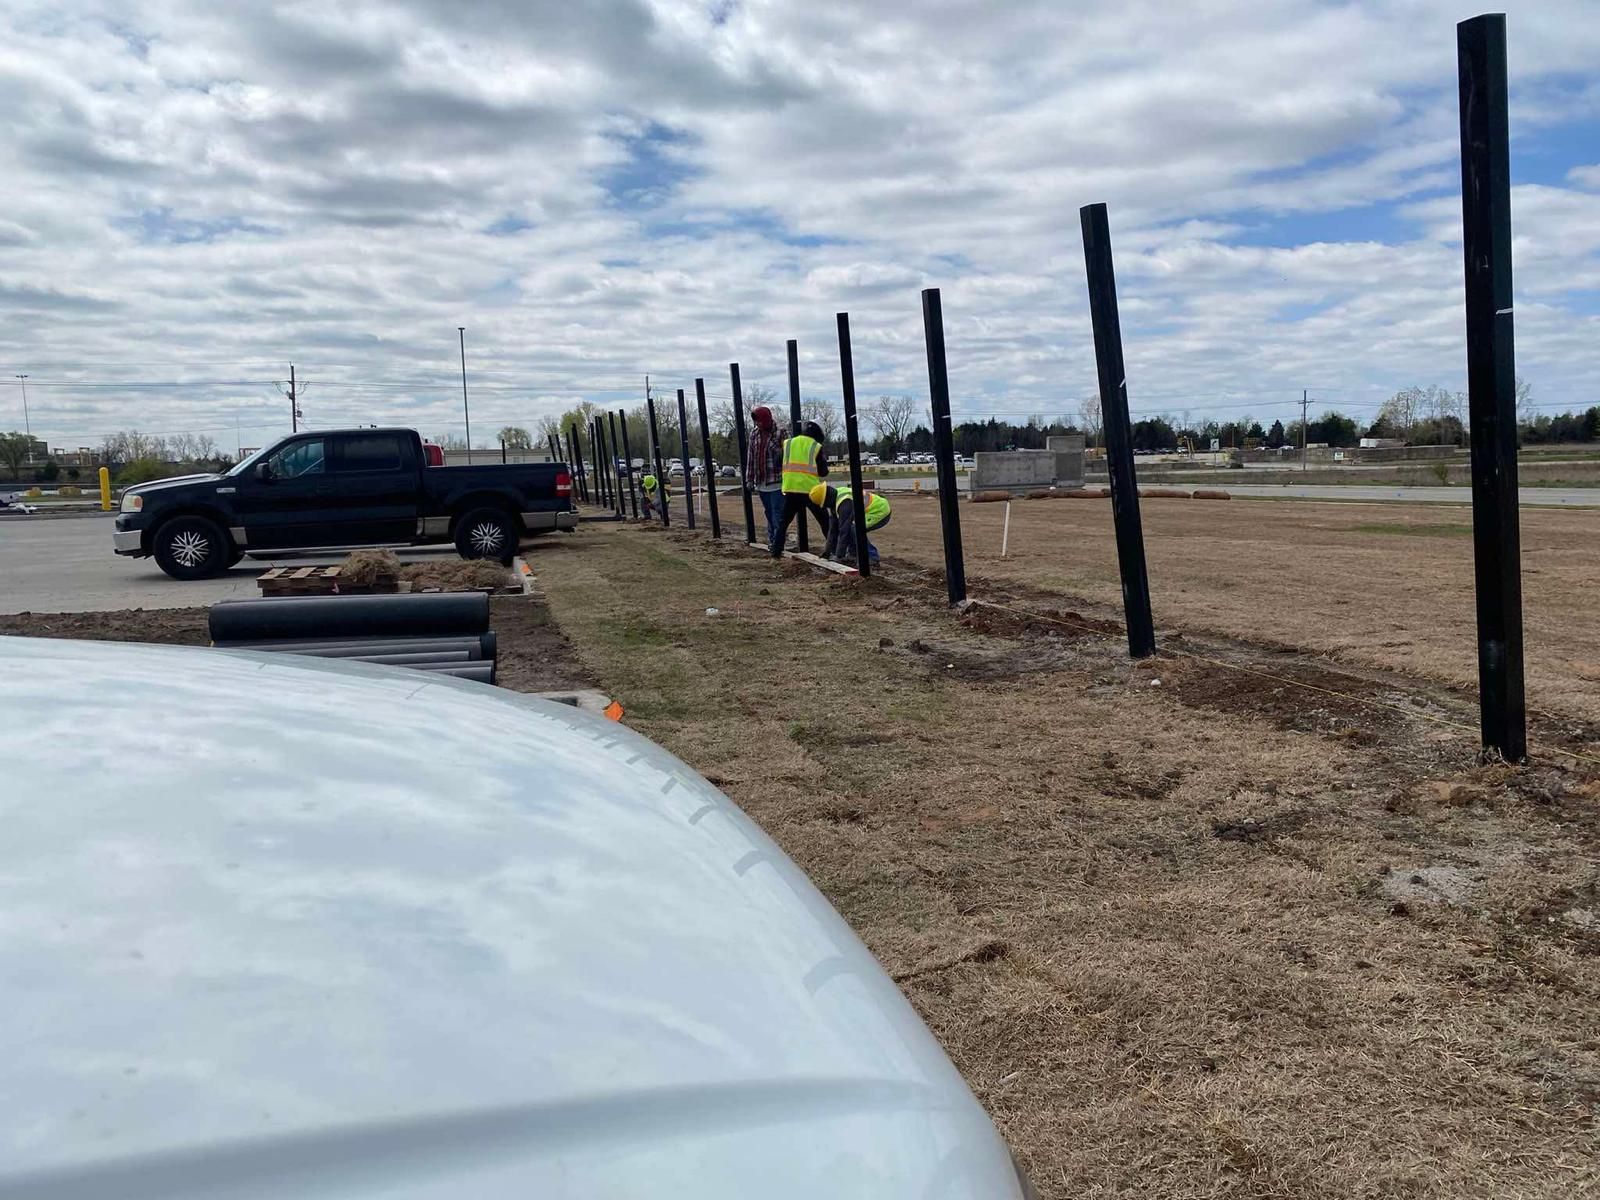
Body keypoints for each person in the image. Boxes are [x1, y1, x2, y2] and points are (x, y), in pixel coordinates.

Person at [769, 421, 829, 557]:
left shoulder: (788, 444)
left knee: (783, 523)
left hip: (790, 489)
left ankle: (776, 550)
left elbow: (778, 462)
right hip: (811, 491)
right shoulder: (816, 446)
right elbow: (823, 471)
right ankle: (834, 549)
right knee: (825, 522)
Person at [810, 482, 891, 565]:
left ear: (826, 500)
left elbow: (844, 531)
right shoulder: (836, 497)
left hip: (879, 511)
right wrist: (827, 552)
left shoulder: (844, 503)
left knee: (854, 528)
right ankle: (853, 554)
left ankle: (872, 557)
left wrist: (839, 556)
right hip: (869, 511)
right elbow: (832, 530)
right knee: (851, 527)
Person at [746, 405, 784, 543]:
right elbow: (751, 458)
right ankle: (772, 539)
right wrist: (749, 479)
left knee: (777, 513)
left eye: (760, 421)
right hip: (761, 482)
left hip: (777, 481)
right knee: (769, 513)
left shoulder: (780, 432)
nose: (758, 424)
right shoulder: (754, 434)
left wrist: (773, 444)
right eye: (756, 422)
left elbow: (784, 454)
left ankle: (777, 542)